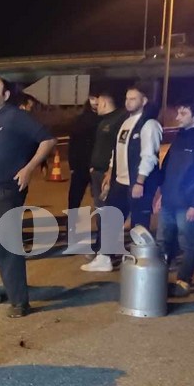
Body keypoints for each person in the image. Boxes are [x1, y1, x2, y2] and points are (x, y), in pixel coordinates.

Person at [0, 76, 56, 317]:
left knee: (8, 246)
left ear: (6, 95)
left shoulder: (16, 116)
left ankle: (19, 301)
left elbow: (48, 141)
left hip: (5, 191)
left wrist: (28, 168)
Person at [154, 99, 194, 296]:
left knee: (187, 244)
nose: (177, 117)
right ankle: (157, 280)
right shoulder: (180, 137)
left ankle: (184, 280)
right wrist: (161, 195)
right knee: (163, 242)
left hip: (187, 204)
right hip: (169, 201)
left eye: (183, 114)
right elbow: (167, 169)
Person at [99, 82, 162, 263]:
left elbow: (149, 157)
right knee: (111, 217)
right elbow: (117, 150)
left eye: (133, 99)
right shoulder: (126, 122)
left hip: (137, 183)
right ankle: (105, 257)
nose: (128, 102)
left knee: (139, 223)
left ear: (144, 101)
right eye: (127, 98)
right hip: (120, 181)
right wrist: (110, 173)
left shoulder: (149, 124)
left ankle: (141, 259)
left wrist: (140, 182)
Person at [78, 92, 126, 271]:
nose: (94, 105)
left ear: (104, 102)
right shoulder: (104, 120)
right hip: (97, 173)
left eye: (97, 102)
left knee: (107, 214)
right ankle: (101, 250)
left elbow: (117, 149)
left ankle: (106, 256)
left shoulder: (118, 119)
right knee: (101, 213)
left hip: (107, 174)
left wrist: (110, 172)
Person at [67, 93, 100, 211]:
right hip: (81, 165)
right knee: (75, 196)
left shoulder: (108, 119)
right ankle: (71, 220)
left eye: (97, 98)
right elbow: (73, 143)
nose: (95, 102)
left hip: (99, 165)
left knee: (100, 197)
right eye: (92, 98)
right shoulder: (80, 120)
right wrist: (72, 165)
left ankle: (102, 221)